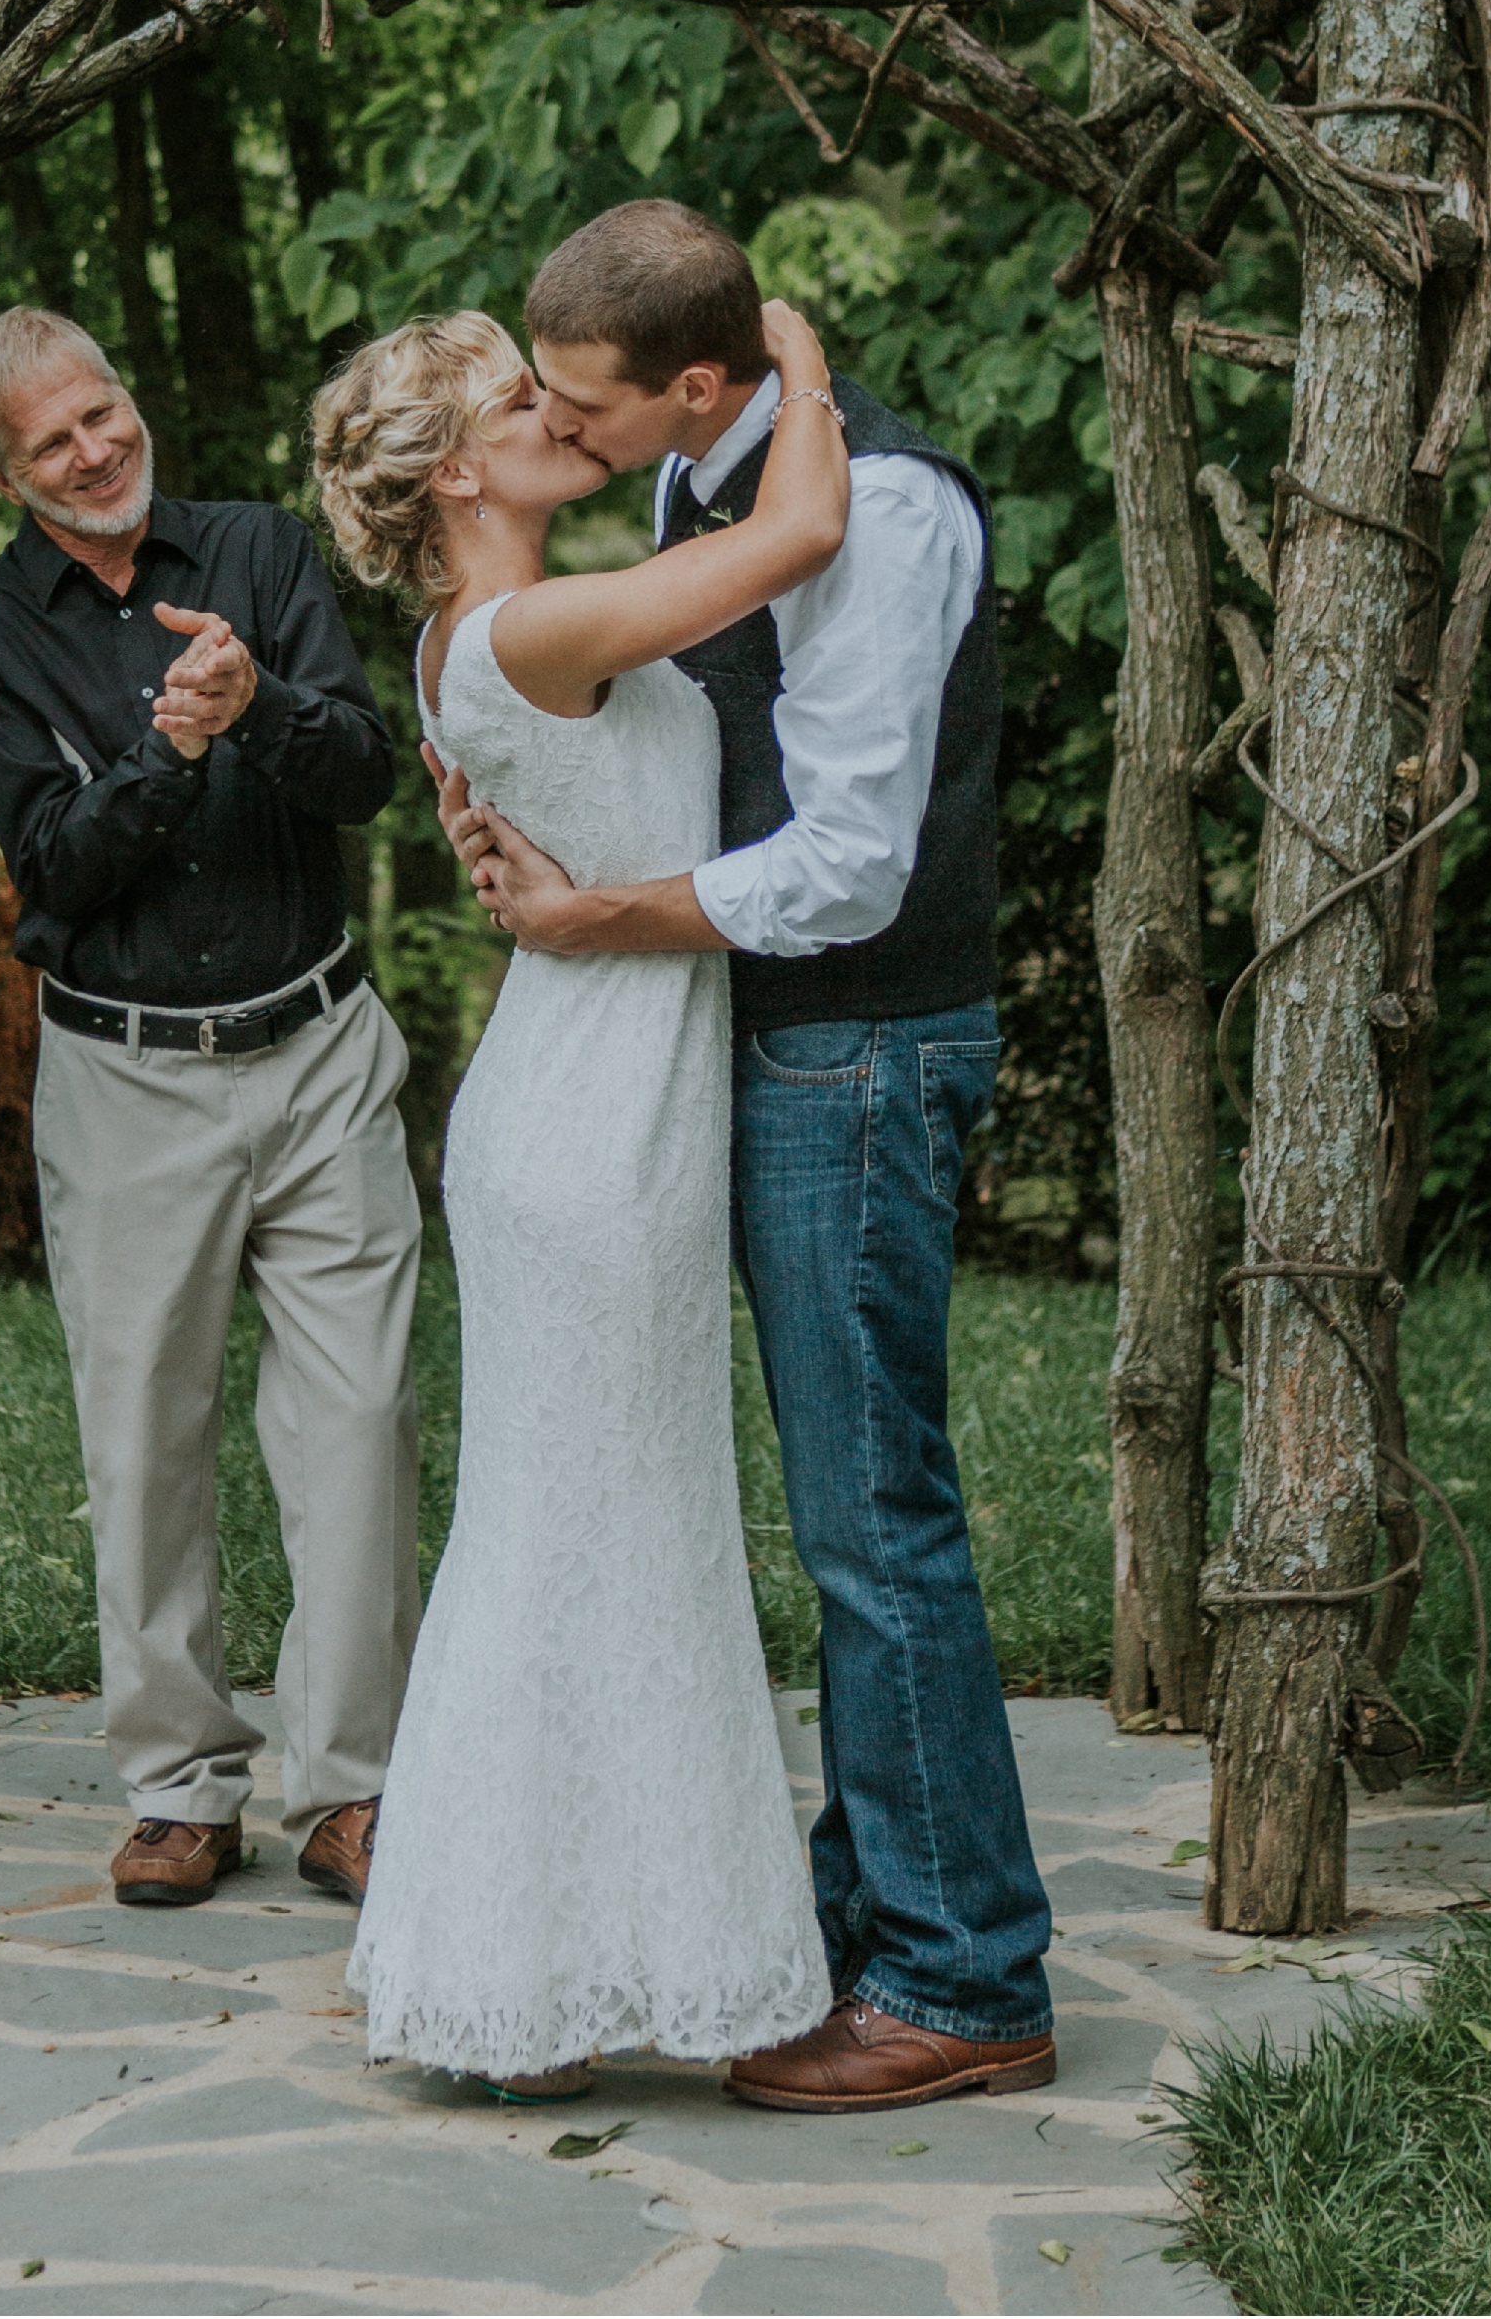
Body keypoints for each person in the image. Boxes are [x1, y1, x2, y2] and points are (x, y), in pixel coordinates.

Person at [441, 199, 1056, 2114]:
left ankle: (967, 1975)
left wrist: (599, 915)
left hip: (861, 1041)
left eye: (581, 396)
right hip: (774, 1040)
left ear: (693, 383)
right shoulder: (713, 474)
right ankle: (878, 1916)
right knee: (841, 1512)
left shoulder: (871, 503)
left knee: (875, 1521)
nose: (555, 416)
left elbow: (851, 860)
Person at [310, 297, 847, 2098]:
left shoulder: (491, 630)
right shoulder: (528, 622)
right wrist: (797, 354)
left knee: (598, 1536)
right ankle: (523, 1965)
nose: (556, 409)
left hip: (599, 1093)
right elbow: (801, 533)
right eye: (515, 397)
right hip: (591, 1130)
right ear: (459, 470)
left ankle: (547, 1957)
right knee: (589, 1542)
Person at [0, 306, 421, 1916]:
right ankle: (179, 1783)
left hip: (321, 1044)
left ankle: (352, 1784)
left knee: (357, 1422)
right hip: (127, 1074)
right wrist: (169, 742)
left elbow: (360, 768)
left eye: (107, 408)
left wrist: (255, 702)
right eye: (56, 437)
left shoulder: (265, 550)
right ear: (8, 471)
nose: (98, 445)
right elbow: (53, 865)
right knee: (145, 1434)